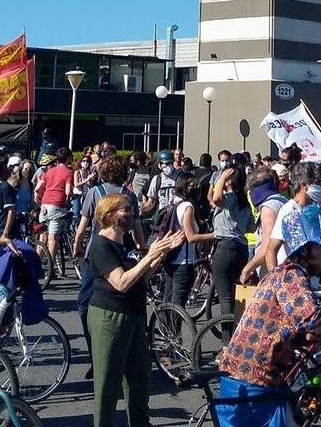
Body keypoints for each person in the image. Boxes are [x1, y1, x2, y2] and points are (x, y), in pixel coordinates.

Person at [216, 204, 321, 427]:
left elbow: (297, 329)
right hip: (253, 380)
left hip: (251, 375)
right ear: (306, 250)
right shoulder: (291, 277)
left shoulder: (281, 273)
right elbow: (313, 322)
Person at [87, 194, 184, 427]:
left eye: (131, 210)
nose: (131, 214)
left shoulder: (126, 242)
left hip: (134, 315)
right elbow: (121, 283)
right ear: (109, 215)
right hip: (110, 316)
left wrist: (160, 254)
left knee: (140, 380)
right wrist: (149, 255)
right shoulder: (100, 245)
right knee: (108, 384)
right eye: (125, 210)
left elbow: (141, 276)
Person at [73, 155, 145, 379]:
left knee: (85, 304)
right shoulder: (129, 195)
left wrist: (77, 247)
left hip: (98, 252)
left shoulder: (95, 193)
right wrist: (143, 249)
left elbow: (83, 225)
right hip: (123, 253)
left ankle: (97, 353)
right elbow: (136, 225)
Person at [164, 173, 215, 308]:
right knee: (177, 304)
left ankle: (163, 328)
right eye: (193, 185)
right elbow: (191, 237)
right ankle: (174, 329)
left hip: (170, 256)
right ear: (184, 187)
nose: (197, 188)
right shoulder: (188, 207)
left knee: (168, 300)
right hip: (183, 260)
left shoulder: (174, 201)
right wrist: (214, 235)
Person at [208, 163, 252, 318]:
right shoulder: (244, 201)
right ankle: (236, 331)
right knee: (235, 293)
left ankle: (227, 339)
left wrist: (222, 179)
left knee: (225, 297)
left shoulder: (231, 198)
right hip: (241, 248)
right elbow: (251, 227)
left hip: (225, 246)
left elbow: (217, 199)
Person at [238, 167, 289, 284]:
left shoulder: (268, 208)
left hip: (273, 270)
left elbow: (268, 246)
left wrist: (247, 268)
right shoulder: (282, 201)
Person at [34, 148, 75, 267]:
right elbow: (67, 191)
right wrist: (72, 195)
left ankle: (37, 265)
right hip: (57, 205)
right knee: (53, 238)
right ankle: (50, 267)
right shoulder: (68, 172)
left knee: (43, 236)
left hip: (45, 205)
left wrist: (39, 198)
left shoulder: (49, 171)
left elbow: (38, 188)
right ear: (68, 158)